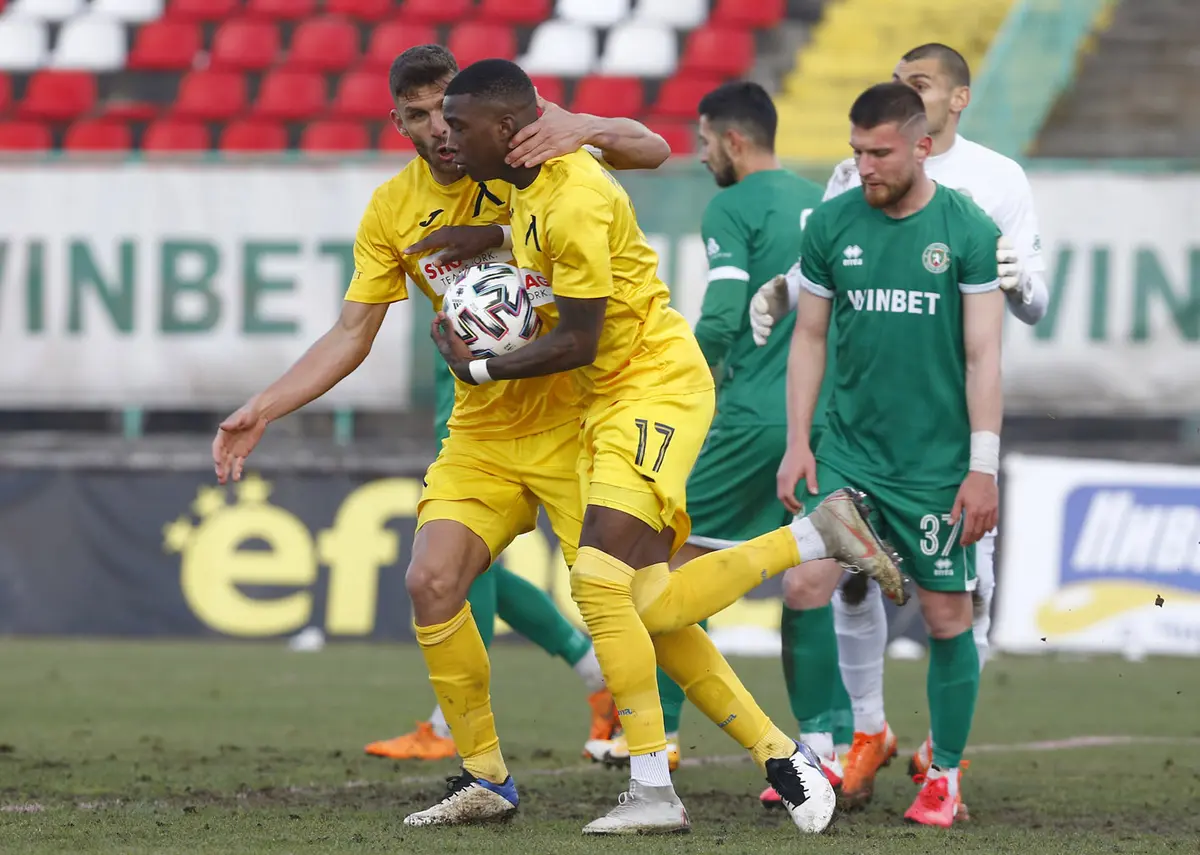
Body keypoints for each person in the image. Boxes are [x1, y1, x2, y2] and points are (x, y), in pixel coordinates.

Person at [431, 57, 904, 835]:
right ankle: (805, 595)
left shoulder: (572, 195)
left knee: (598, 583)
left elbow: (579, 339)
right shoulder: (530, 189)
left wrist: (477, 366)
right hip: (609, 405)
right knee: (651, 603)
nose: (446, 138)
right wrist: (486, 237)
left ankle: (653, 787)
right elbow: (564, 226)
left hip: (651, 391)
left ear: (507, 129)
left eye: (458, 124)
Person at [210, 43, 672, 823]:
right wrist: (265, 405)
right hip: (481, 424)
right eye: (418, 116)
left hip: (576, 416)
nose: (438, 130)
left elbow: (653, 149)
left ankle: (751, 746)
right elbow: (351, 333)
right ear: (399, 123)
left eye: (446, 112)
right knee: (432, 579)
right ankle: (484, 775)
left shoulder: (525, 150)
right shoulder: (394, 209)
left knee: (638, 598)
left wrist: (584, 126)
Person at [750, 42, 1047, 815]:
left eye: (878, 153)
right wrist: (798, 441)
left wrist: (982, 466)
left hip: (935, 459)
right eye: (857, 152)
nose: (864, 166)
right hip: (849, 449)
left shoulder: (969, 225)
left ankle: (944, 773)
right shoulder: (834, 220)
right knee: (806, 583)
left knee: (949, 613)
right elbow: (809, 337)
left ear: (922, 145)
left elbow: (984, 355)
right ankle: (819, 751)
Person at [585, 81, 851, 795]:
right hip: (827, 419)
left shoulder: (733, 206)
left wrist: (669, 380)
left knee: (659, 572)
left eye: (704, 142)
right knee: (810, 584)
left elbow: (725, 315)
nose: (702, 156)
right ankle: (831, 741)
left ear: (733, 140)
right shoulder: (824, 203)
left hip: (752, 417)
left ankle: (660, 732)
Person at [365, 358, 615, 763]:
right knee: (473, 569)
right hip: (476, 400)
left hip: (489, 411)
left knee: (459, 566)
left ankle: (451, 723)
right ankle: (596, 673)